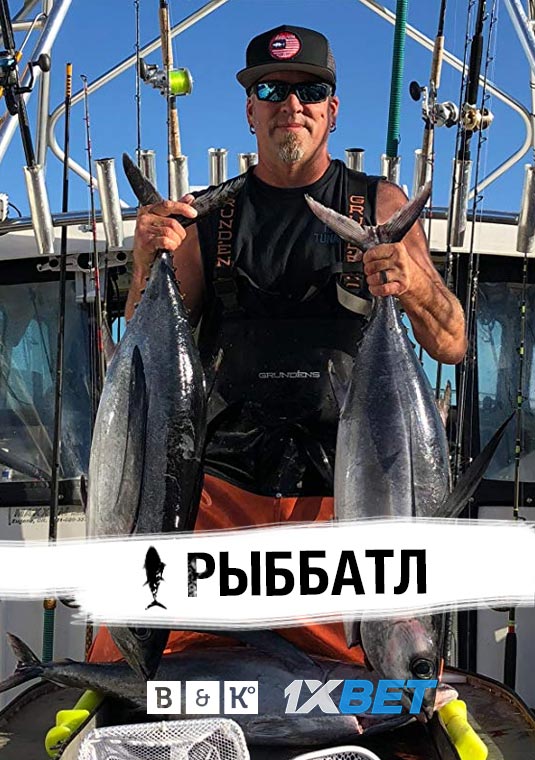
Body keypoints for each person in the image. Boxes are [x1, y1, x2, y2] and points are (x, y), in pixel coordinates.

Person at [89, 25, 466, 664]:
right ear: (250, 110)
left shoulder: (380, 204)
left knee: (369, 682)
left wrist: (412, 285)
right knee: (137, 671)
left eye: (309, 91)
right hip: (217, 503)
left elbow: (451, 341)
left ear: (332, 109)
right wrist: (146, 256)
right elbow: (143, 350)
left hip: (346, 507)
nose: (292, 105)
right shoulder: (206, 220)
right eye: (271, 90)